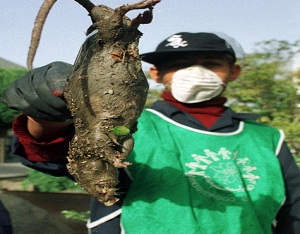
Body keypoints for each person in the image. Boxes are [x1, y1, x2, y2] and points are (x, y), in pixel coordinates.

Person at [2, 31, 300, 234]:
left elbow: (294, 213)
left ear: (233, 72)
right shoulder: (129, 125)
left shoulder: (267, 139)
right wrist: (49, 119)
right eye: (180, 65)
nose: (196, 73)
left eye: (211, 64)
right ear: (155, 74)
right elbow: (55, 157)